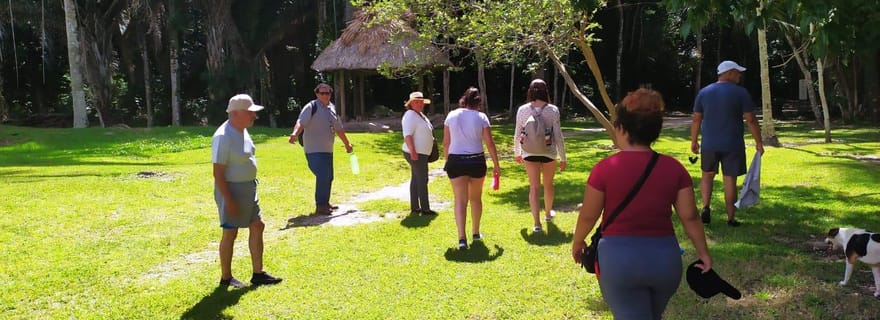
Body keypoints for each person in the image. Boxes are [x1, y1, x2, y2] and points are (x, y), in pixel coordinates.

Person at [571, 89, 712, 319]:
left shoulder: (604, 170)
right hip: (666, 262)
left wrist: (578, 241)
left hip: (619, 262)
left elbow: (588, 215)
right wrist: (703, 253)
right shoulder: (675, 169)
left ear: (622, 129)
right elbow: (690, 217)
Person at [212, 94, 283, 288]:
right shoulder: (223, 136)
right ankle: (226, 278)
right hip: (232, 189)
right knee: (230, 232)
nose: (254, 116)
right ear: (235, 113)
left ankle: (258, 274)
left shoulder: (242, 130)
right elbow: (218, 173)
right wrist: (229, 200)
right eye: (250, 112)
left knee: (258, 225)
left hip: (248, 187)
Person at [691, 60, 764, 227]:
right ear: (729, 73)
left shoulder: (704, 92)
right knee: (729, 180)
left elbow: (696, 119)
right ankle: (731, 218)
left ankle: (706, 207)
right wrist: (758, 142)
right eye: (737, 72)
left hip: (709, 143)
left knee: (707, 175)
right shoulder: (741, 93)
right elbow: (751, 119)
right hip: (733, 144)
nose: (739, 75)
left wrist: (694, 140)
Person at [443, 87, 501, 250]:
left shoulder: (451, 115)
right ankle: (475, 232)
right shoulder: (481, 117)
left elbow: (446, 143)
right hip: (476, 161)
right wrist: (496, 165)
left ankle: (462, 238)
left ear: (464, 100)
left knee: (460, 200)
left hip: (456, 160)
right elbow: (490, 143)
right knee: (475, 198)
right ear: (478, 102)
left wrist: (448, 161)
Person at [289, 83, 354, 215]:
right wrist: (295, 134)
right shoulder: (311, 107)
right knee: (323, 175)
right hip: (313, 149)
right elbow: (300, 122)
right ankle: (320, 206)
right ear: (317, 94)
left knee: (329, 176)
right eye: (322, 93)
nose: (325, 95)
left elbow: (339, 128)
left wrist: (347, 144)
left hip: (327, 150)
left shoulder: (331, 108)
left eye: (328, 93)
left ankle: (325, 203)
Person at [513, 79, 566, 233]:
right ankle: (548, 214)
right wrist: (563, 157)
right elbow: (558, 135)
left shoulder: (523, 109)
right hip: (548, 153)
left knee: (534, 188)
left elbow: (518, 132)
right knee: (548, 185)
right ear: (545, 91)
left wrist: (517, 152)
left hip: (529, 152)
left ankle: (537, 224)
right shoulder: (553, 110)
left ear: (530, 91)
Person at [401, 91, 438, 216]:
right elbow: (407, 135)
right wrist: (413, 151)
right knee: (422, 179)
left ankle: (416, 207)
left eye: (421, 102)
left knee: (416, 179)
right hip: (416, 152)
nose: (420, 104)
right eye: (416, 102)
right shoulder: (410, 115)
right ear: (411, 104)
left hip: (422, 153)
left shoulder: (419, 115)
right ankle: (425, 208)